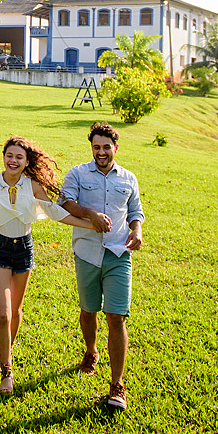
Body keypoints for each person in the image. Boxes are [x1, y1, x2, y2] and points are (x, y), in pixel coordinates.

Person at [0, 136, 95, 394]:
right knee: (3, 314)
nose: (13, 161)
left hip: (23, 249)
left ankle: (7, 350)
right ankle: (7, 370)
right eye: (9, 156)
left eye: (19, 157)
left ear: (26, 162)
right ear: (3, 157)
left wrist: (90, 225)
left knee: (15, 311)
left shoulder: (33, 186)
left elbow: (56, 212)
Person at [58, 122, 145, 411]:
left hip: (119, 253)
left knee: (116, 317)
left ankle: (117, 384)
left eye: (106, 147)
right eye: (96, 147)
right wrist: (90, 214)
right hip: (87, 252)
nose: (101, 152)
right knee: (88, 310)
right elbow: (65, 201)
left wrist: (137, 230)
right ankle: (91, 350)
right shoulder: (78, 173)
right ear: (92, 148)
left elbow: (135, 211)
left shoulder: (129, 178)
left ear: (115, 148)